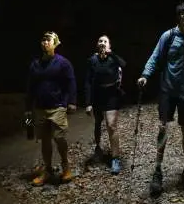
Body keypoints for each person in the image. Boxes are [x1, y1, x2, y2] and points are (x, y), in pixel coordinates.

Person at [137, 1, 184, 196]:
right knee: (163, 127)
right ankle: (158, 171)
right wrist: (145, 74)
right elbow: (155, 57)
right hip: (168, 90)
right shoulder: (168, 36)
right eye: (183, 13)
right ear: (178, 16)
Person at [25, 31, 77, 186]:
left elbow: (71, 82)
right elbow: (30, 88)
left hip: (57, 107)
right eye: (43, 40)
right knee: (45, 141)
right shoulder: (35, 65)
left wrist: (72, 101)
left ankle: (65, 167)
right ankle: (47, 170)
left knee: (59, 137)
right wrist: (28, 109)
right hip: (40, 108)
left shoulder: (63, 63)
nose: (45, 42)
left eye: (48, 40)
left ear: (55, 43)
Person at [84, 35, 126, 175]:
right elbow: (88, 82)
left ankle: (115, 158)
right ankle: (98, 147)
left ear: (109, 45)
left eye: (105, 41)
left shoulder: (113, 58)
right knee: (97, 122)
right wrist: (88, 103)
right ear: (97, 44)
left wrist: (111, 54)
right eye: (100, 41)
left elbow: (123, 64)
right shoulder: (92, 60)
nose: (102, 43)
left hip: (112, 94)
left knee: (111, 125)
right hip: (98, 95)